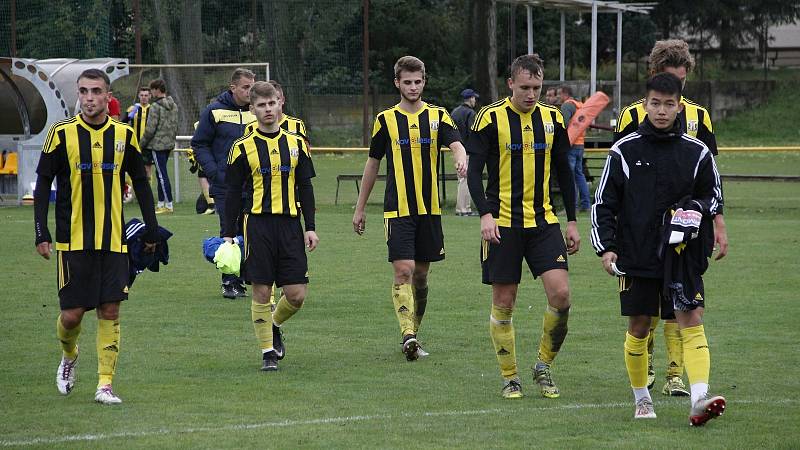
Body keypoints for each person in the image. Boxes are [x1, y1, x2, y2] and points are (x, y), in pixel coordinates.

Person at [591, 72, 726, 424]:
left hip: (682, 255)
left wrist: (695, 210)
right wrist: (606, 247)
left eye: (669, 105)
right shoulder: (625, 149)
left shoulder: (696, 152)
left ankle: (699, 399)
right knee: (639, 325)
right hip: (636, 253)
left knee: (691, 320)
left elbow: (713, 195)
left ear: (679, 106)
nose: (662, 111)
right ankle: (642, 399)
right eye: (655, 104)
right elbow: (604, 203)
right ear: (644, 104)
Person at [33, 68, 159, 404]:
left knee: (110, 309)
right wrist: (40, 230)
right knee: (72, 315)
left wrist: (152, 227)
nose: (90, 98)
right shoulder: (61, 134)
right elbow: (43, 182)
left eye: (96, 91)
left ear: (108, 96)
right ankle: (69, 354)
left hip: (114, 240)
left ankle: (105, 384)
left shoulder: (124, 135)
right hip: (73, 241)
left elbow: (142, 182)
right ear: (79, 94)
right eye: (84, 91)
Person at [614, 39, 729, 397]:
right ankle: (643, 367)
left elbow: (712, 175)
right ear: (653, 77)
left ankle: (676, 373)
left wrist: (718, 221)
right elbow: (618, 176)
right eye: (667, 80)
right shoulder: (633, 115)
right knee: (642, 315)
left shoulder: (699, 116)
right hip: (642, 234)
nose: (672, 93)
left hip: (685, 233)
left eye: (680, 83)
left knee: (680, 305)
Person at [466, 54, 580, 399]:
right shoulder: (489, 117)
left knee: (561, 296)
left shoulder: (552, 119)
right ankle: (510, 375)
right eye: (526, 87)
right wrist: (485, 214)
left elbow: (564, 170)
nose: (532, 94)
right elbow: (474, 172)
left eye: (538, 87)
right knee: (504, 301)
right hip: (502, 224)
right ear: (510, 83)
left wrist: (572, 220)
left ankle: (543, 366)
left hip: (544, 222)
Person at [352, 56, 467, 361]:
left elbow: (456, 142)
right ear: (397, 83)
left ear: (424, 81)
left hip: (429, 211)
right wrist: (360, 207)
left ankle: (413, 331)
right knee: (404, 270)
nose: (413, 87)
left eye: (418, 82)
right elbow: (373, 163)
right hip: (398, 209)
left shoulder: (438, 115)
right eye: (407, 82)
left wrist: (460, 157)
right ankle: (408, 335)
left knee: (421, 277)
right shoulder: (385, 119)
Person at [222, 81, 318, 371]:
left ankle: (273, 324)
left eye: (271, 103)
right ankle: (267, 353)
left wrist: (310, 226)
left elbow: (306, 187)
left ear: (280, 104)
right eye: (261, 105)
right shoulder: (241, 147)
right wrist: (228, 233)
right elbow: (231, 193)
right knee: (262, 291)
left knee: (296, 295)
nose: (267, 109)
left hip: (290, 225)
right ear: (252, 110)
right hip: (257, 225)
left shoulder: (296, 143)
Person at [192, 68, 257, 299]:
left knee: (250, 230)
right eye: (246, 87)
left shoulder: (257, 110)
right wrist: (214, 172)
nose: (250, 92)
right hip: (225, 185)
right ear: (233, 88)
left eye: (252, 86)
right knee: (229, 229)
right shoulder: (214, 111)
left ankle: (245, 278)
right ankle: (229, 281)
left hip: (253, 185)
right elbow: (199, 144)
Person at [139, 79, 179, 214]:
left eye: (151, 91)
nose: (151, 93)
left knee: (162, 175)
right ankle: (161, 203)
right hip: (168, 144)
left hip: (157, 145)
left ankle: (168, 205)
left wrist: (141, 144)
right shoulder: (173, 105)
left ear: (156, 90)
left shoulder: (155, 107)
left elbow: (150, 129)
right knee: (160, 173)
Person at [559, 85, 592, 212]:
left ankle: (572, 207)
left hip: (571, 144)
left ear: (564, 94)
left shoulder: (567, 105)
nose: (558, 97)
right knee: (579, 175)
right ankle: (586, 204)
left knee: (569, 176)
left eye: (559, 94)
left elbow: (564, 123)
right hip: (580, 143)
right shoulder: (580, 105)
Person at [450, 88, 480, 216]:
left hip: (456, 150)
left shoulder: (455, 112)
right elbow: (473, 132)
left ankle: (461, 208)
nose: (475, 101)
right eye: (474, 98)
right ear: (471, 98)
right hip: (467, 151)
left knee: (461, 179)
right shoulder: (470, 113)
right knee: (465, 180)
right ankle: (463, 209)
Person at [126, 86, 154, 180]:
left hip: (148, 145)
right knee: (134, 171)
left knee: (147, 172)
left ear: (150, 96)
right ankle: (134, 194)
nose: (144, 97)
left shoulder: (153, 109)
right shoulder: (132, 109)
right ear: (138, 96)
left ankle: (147, 193)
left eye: (146, 95)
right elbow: (123, 123)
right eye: (142, 95)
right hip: (135, 144)